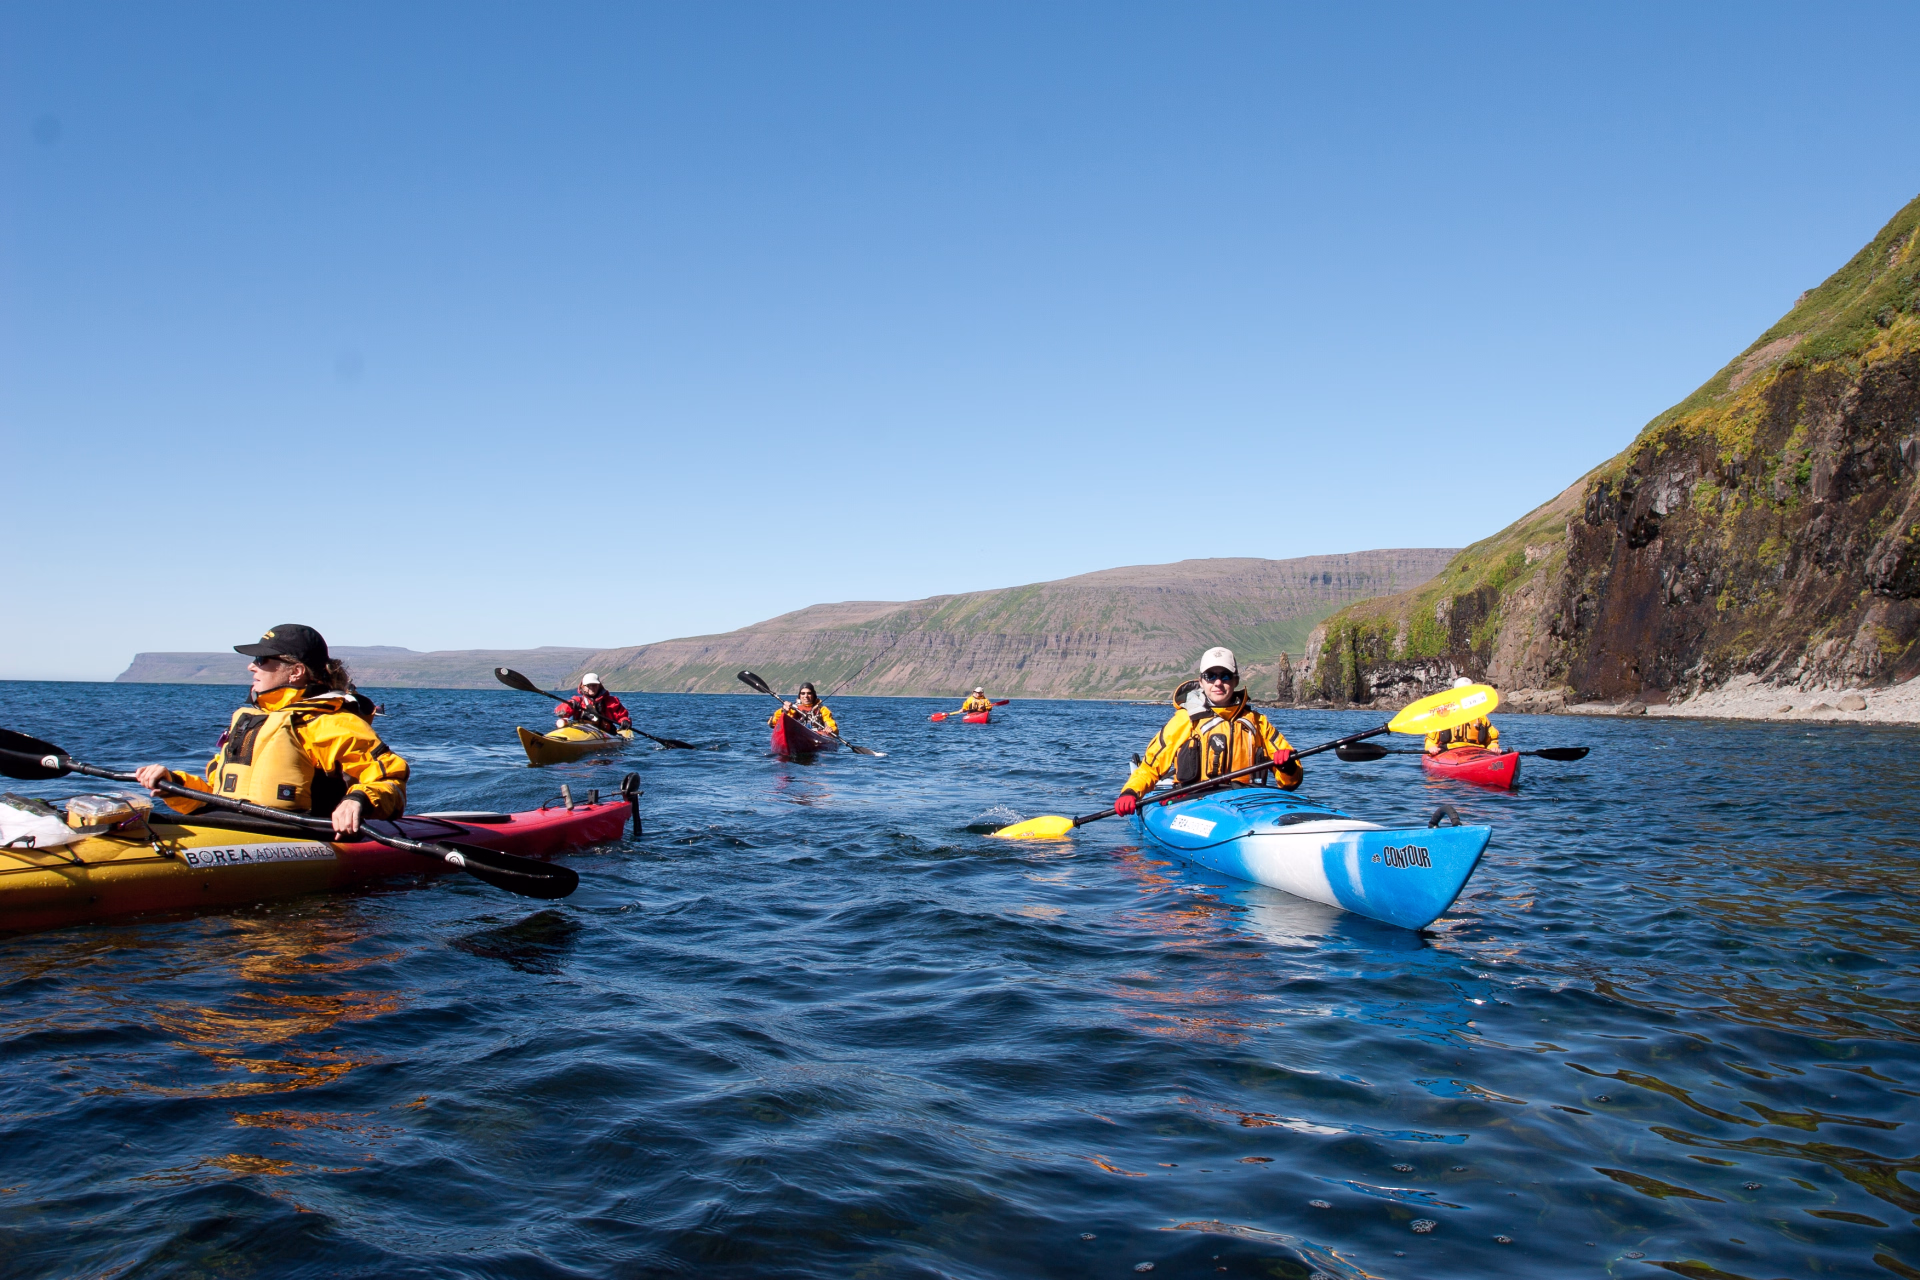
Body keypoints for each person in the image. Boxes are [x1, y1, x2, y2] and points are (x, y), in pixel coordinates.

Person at [133, 624, 408, 837]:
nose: (252, 666)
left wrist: (357, 800)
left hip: (299, 836)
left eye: (262, 660)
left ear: (296, 671)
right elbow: (215, 795)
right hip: (232, 827)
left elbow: (390, 781)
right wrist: (174, 785)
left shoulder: (329, 722)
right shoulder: (252, 721)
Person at [1114, 646, 1302, 816]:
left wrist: (1287, 766)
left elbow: (1291, 782)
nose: (1218, 682)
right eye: (1211, 676)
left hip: (1248, 802)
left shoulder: (1258, 723)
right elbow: (1150, 768)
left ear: (1235, 680)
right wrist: (1131, 792)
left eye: (1225, 676)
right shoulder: (1185, 719)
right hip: (1195, 803)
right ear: (1201, 682)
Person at [1426, 676, 1500, 753]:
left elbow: (1492, 740)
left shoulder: (1481, 717)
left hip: (1476, 752)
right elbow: (1431, 740)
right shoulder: (1444, 715)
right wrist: (1431, 747)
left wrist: (1493, 747)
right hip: (1449, 751)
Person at [554, 673, 633, 731]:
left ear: (599, 686)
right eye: (589, 685)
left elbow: (622, 716)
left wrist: (625, 721)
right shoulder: (577, 701)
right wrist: (570, 706)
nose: (592, 688)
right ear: (583, 687)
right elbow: (559, 712)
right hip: (581, 731)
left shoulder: (612, 701)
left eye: (594, 685)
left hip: (604, 733)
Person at [768, 682, 838, 734]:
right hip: (795, 736)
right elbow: (771, 723)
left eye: (809, 693)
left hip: (817, 737)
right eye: (803, 693)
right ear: (799, 696)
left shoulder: (823, 710)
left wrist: (831, 729)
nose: (806, 696)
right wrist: (783, 711)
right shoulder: (792, 709)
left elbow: (832, 725)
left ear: (813, 695)